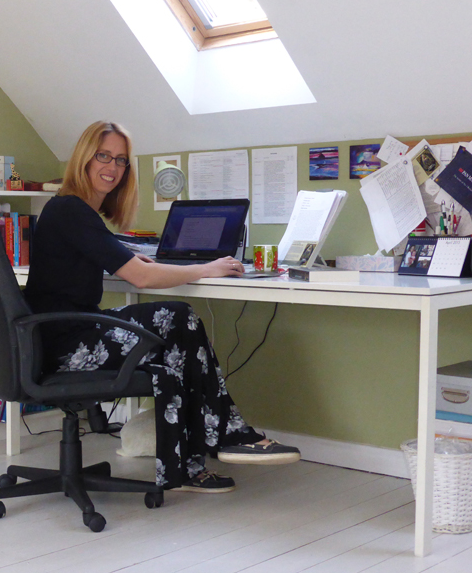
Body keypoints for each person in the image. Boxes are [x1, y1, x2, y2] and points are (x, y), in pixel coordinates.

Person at [24, 121, 300, 493]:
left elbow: (118, 260)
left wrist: (134, 256)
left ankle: (186, 468)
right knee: (178, 317)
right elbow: (139, 279)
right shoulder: (70, 210)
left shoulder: (75, 212)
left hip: (68, 334)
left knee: (171, 357)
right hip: (66, 345)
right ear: (84, 158)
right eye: (103, 156)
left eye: (121, 160)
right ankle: (228, 434)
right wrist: (209, 268)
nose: (113, 167)